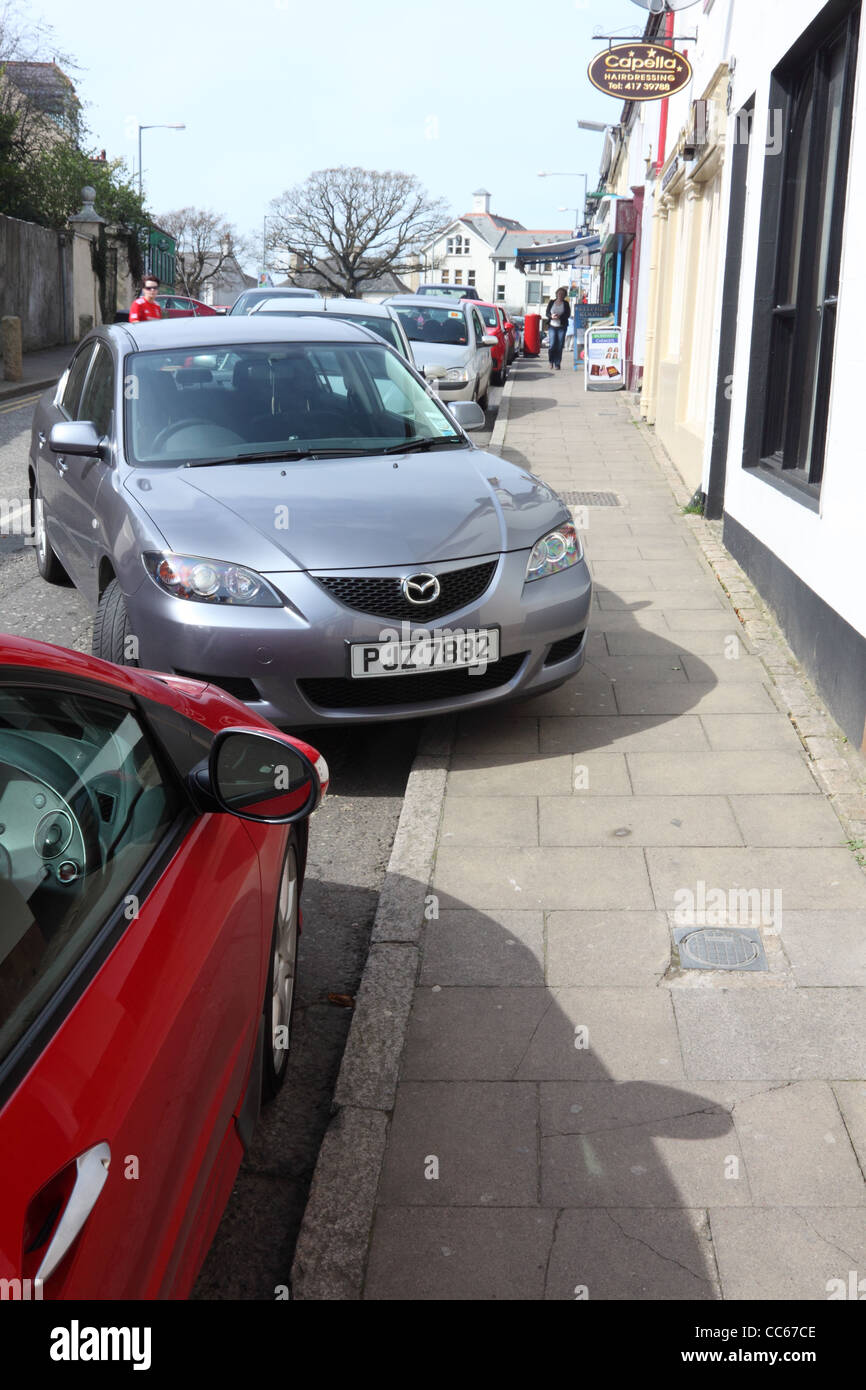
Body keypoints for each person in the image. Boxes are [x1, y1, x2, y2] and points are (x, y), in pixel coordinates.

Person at [545, 287, 571, 370]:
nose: (560, 295)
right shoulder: (552, 302)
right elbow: (547, 313)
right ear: (556, 294)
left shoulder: (566, 303)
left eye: (562, 294)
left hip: (561, 327)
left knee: (559, 346)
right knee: (552, 345)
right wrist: (551, 316)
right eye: (559, 293)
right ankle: (550, 362)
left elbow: (568, 314)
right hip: (552, 326)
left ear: (564, 295)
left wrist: (560, 317)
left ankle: (557, 363)